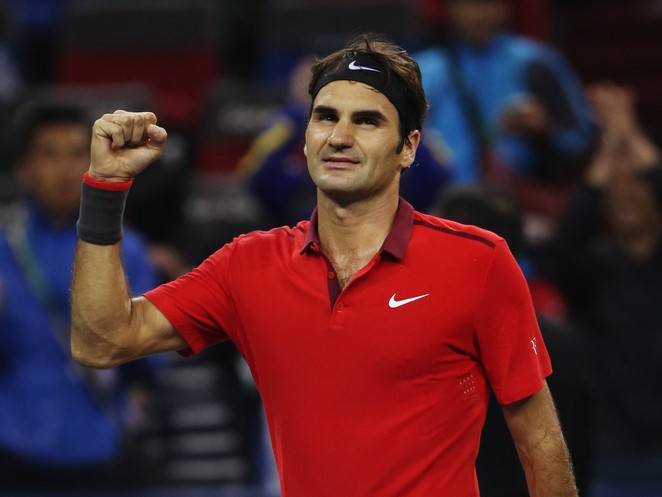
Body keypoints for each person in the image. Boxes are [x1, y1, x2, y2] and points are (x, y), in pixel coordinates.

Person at [70, 33, 578, 496]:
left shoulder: (477, 261)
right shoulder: (248, 265)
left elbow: (539, 440)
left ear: (408, 147)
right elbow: (101, 341)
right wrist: (105, 190)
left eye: (367, 120)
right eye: (326, 116)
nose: (339, 135)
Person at [0, 102, 161, 490]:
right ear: (23, 168)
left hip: (104, 452)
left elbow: (151, 361)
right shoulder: (3, 249)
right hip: (12, 455)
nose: (65, 169)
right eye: (49, 154)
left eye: (77, 154)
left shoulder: (129, 250)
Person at [538, 82, 662, 496]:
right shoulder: (592, 270)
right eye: (614, 182)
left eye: (637, 181)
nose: (624, 190)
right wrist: (608, 152)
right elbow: (562, 249)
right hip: (611, 452)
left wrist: (629, 132)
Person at [414, 0, 596, 216]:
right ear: (449, 8)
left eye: (491, 3)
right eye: (468, 4)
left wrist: (544, 129)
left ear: (507, 7)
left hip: (519, 210)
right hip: (443, 209)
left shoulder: (536, 63)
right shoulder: (423, 69)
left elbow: (579, 141)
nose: (480, 13)